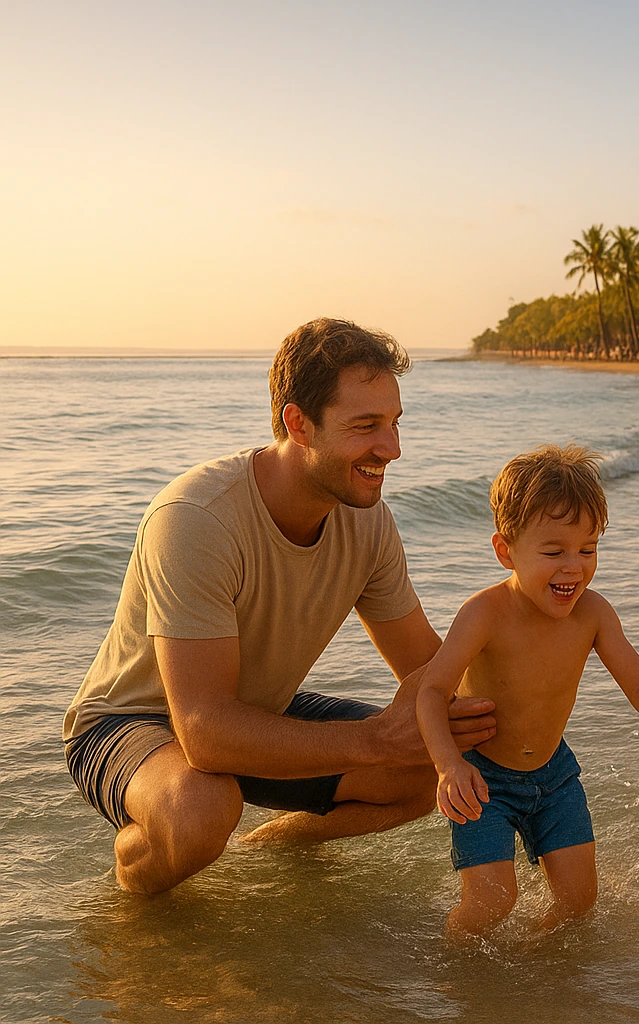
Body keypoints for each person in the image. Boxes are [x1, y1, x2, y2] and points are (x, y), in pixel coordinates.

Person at [62, 319, 498, 894]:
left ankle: (264, 850)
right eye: (366, 426)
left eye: (393, 424)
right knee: (201, 809)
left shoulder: (368, 523)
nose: (391, 449)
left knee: (426, 765)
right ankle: (136, 909)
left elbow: (432, 672)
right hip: (131, 720)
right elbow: (204, 733)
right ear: (298, 423)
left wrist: (529, 682)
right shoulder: (197, 519)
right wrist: (375, 739)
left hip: (257, 707)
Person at [415, 446, 639, 937]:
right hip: (483, 779)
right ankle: (454, 974)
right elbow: (432, 691)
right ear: (506, 550)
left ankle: (539, 972)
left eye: (588, 550)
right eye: (553, 552)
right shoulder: (484, 615)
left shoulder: (593, 614)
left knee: (577, 903)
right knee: (492, 903)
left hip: (555, 777)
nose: (574, 568)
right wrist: (448, 765)